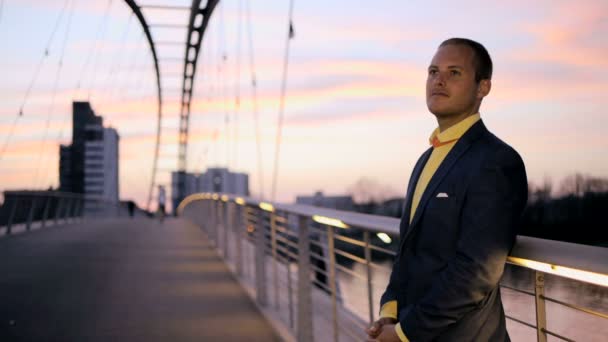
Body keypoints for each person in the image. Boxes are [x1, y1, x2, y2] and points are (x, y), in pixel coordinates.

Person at [365, 38, 528, 341]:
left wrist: (404, 332)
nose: (438, 80)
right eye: (432, 71)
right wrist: (390, 309)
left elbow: (476, 272)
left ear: (483, 87)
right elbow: (408, 251)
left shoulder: (496, 161)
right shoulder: (426, 159)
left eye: (454, 72)